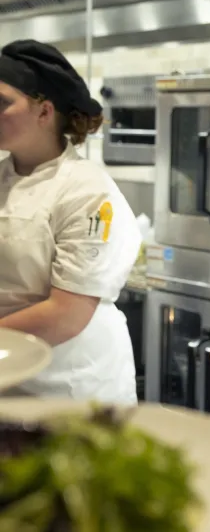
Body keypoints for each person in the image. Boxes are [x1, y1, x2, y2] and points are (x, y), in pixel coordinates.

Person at [0, 39, 141, 404]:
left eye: (2, 103)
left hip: (70, 388)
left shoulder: (87, 192)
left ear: (44, 112)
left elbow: (66, 315)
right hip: (7, 376)